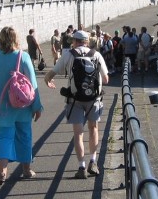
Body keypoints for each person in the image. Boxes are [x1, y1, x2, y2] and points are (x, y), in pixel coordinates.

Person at [43, 30, 109, 179]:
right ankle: (93, 161)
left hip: (75, 100)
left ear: (75, 41)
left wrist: (48, 81)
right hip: (94, 99)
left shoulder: (69, 55)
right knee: (93, 129)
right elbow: (106, 79)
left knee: (78, 134)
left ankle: (81, 167)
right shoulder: (96, 54)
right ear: (86, 41)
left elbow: (52, 73)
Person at [0, 26, 42, 186]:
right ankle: (26, 169)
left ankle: (2, 172)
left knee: (3, 137)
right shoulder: (23, 57)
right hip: (22, 105)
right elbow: (33, 83)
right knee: (24, 135)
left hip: (3, 105)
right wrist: (37, 106)